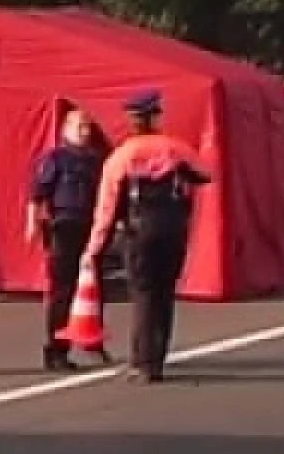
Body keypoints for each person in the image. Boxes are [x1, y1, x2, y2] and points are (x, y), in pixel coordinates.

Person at [81, 90, 212, 383]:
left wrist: (93, 248)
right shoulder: (175, 148)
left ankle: (142, 362)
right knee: (165, 294)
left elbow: (106, 206)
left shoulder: (122, 156)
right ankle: (158, 358)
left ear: (131, 121)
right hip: (173, 229)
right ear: (155, 117)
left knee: (143, 294)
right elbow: (206, 173)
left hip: (139, 231)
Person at [27, 106, 113, 371]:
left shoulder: (98, 160)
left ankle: (92, 340)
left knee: (93, 285)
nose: (83, 132)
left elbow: (108, 193)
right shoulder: (55, 158)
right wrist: (31, 223)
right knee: (63, 289)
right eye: (78, 126)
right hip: (64, 225)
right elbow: (37, 193)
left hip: (91, 225)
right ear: (65, 130)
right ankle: (56, 349)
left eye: (86, 126)